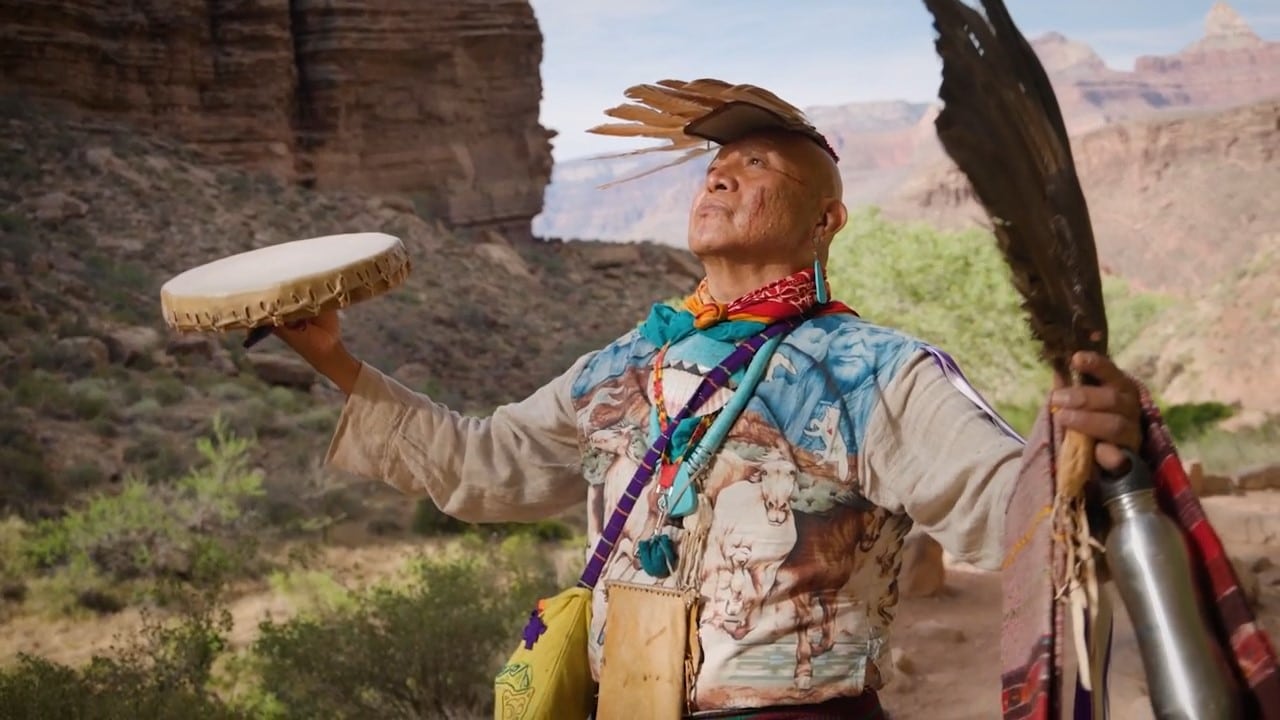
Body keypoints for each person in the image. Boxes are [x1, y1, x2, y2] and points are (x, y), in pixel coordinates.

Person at [273, 87, 1141, 718]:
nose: (721, 178)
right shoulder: (622, 363)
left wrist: (1093, 451)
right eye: (716, 167)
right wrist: (336, 362)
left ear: (828, 220)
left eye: (755, 165)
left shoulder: (877, 370)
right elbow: (482, 465)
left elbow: (1011, 510)